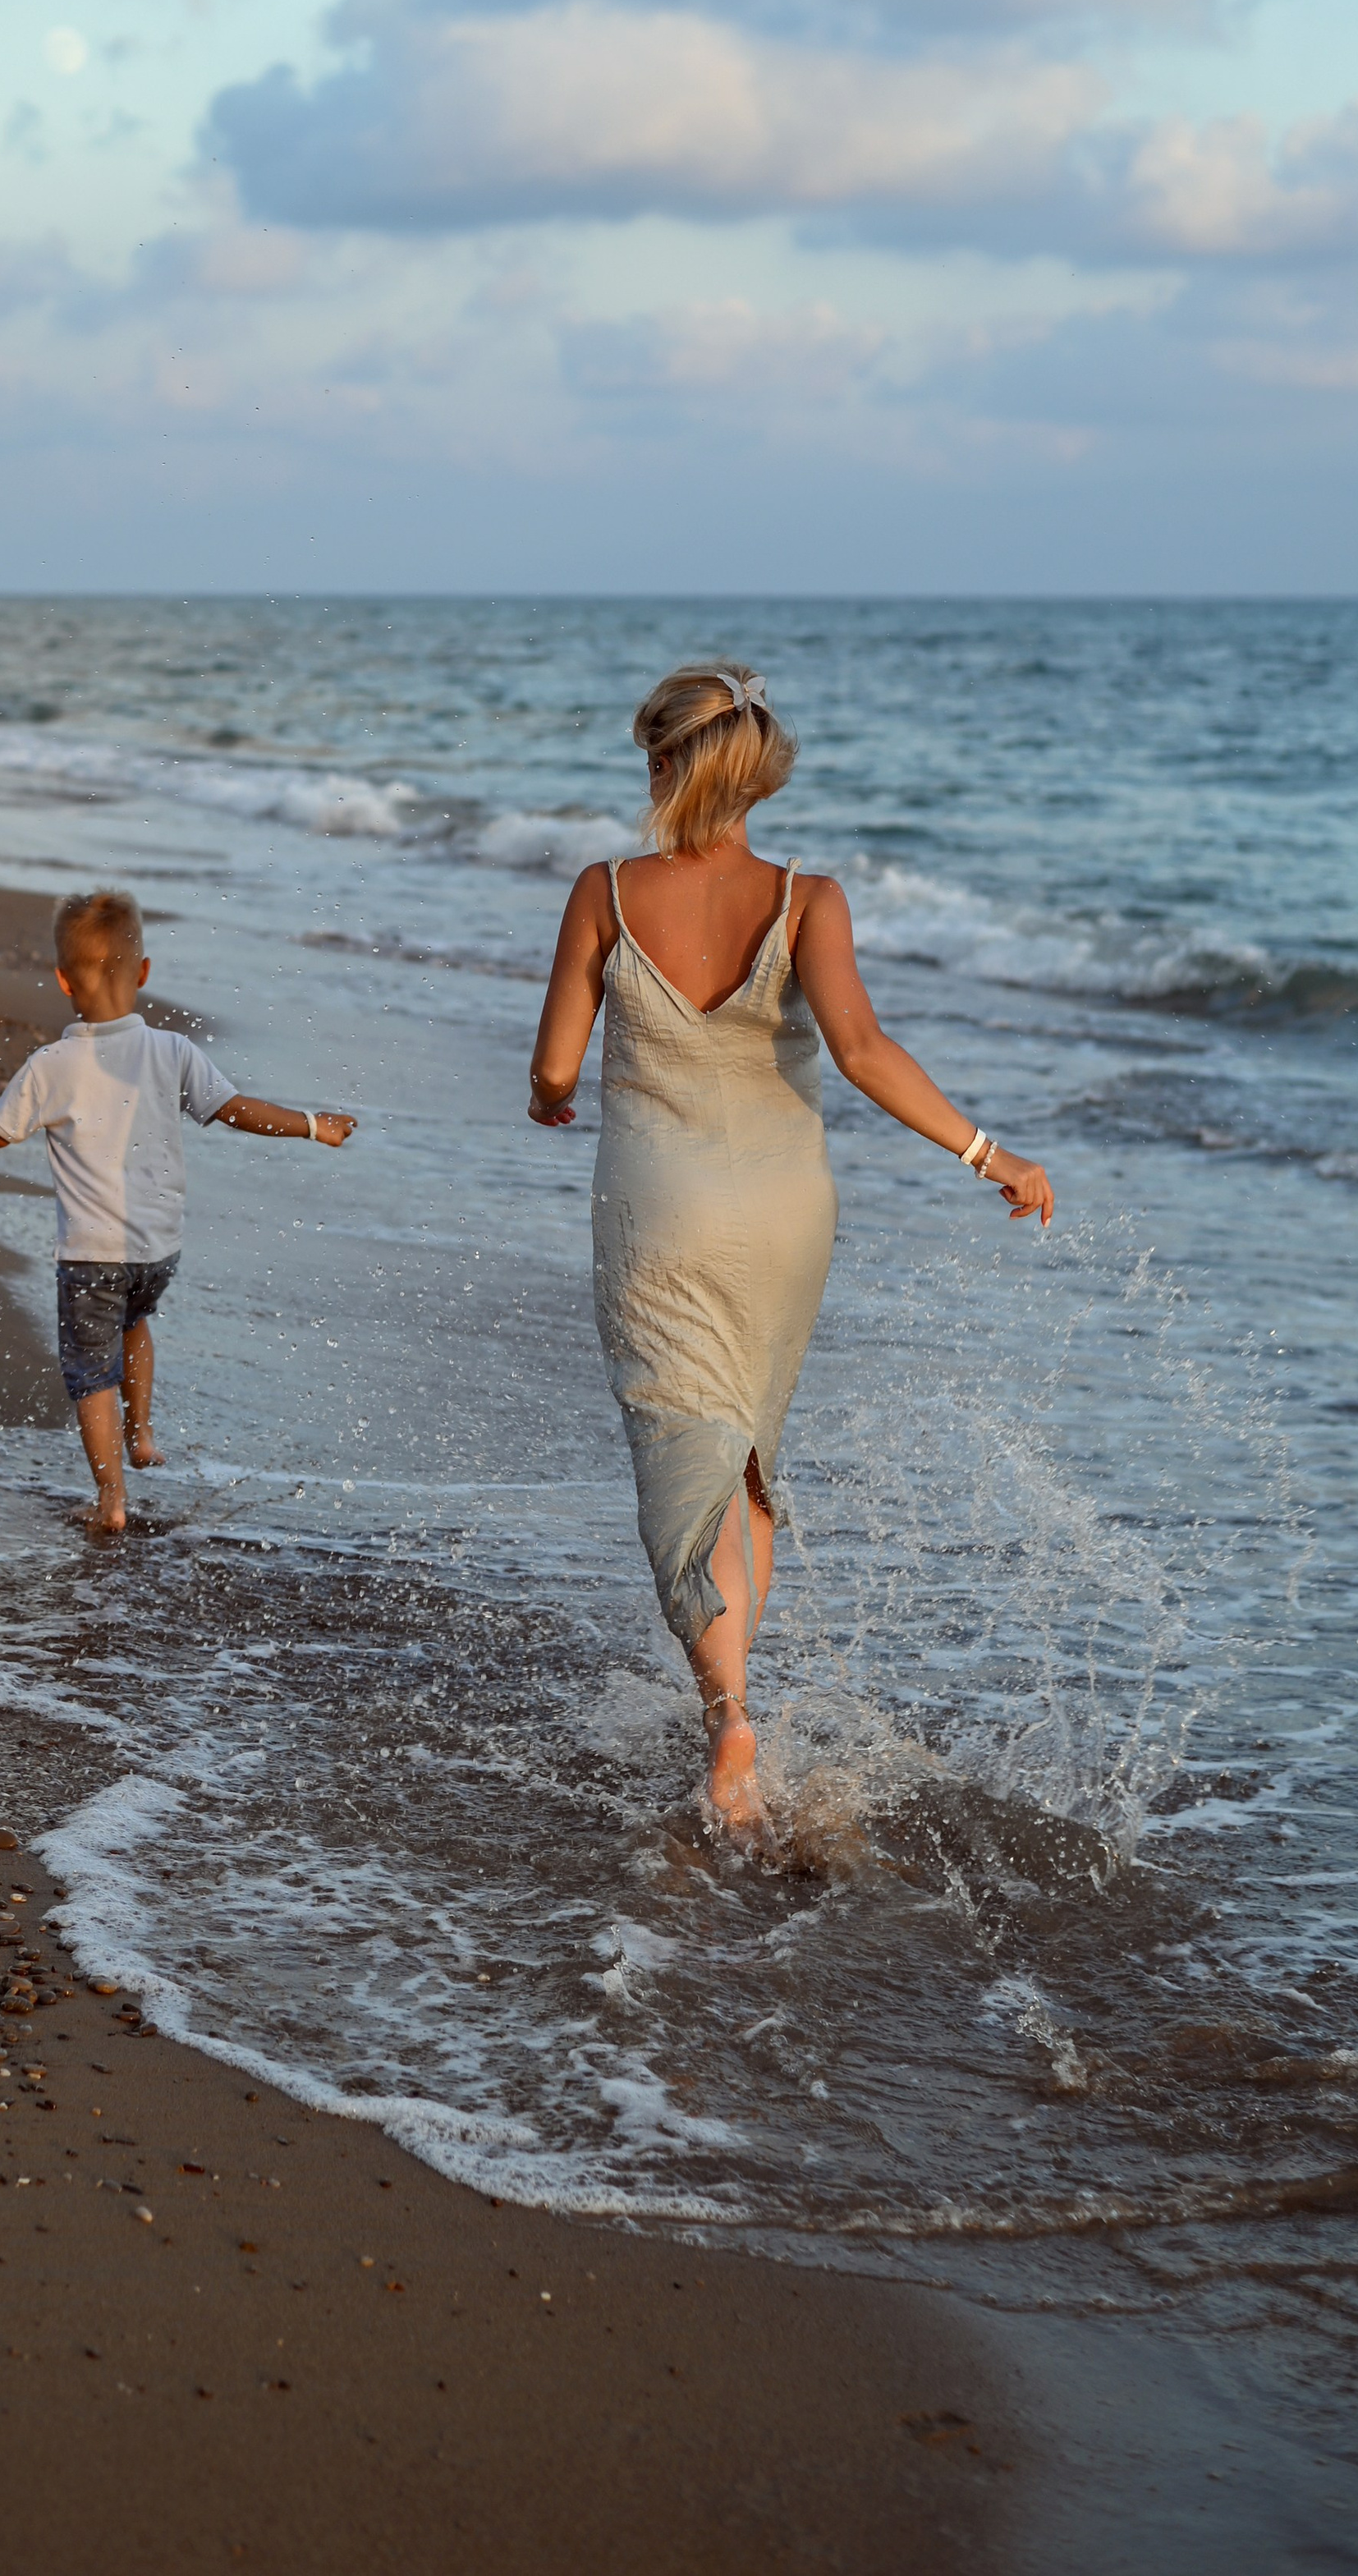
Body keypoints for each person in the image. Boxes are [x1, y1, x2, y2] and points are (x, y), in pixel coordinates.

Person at [528, 665, 1053, 1848]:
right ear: (752, 768)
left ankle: (730, 1717)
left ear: (664, 764)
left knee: (681, 1448)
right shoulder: (811, 899)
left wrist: (546, 1093)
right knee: (750, 1450)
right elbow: (862, 1049)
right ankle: (735, 1704)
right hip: (785, 1214)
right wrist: (989, 1152)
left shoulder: (604, 891)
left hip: (659, 1212)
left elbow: (558, 1061)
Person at [0, 886, 356, 1531]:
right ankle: (144, 1432)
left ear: (63, 980)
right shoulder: (173, 1051)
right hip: (158, 1249)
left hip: (91, 1253)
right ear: (145, 972)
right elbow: (235, 1108)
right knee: (135, 1321)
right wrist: (311, 1124)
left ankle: (111, 1500)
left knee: (88, 1372)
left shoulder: (51, 1065)